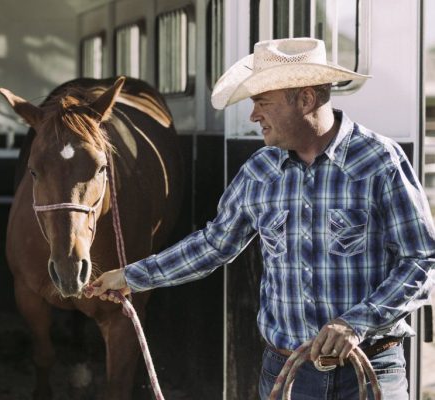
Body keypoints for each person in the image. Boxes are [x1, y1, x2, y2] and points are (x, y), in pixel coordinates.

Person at [87, 38, 435, 399]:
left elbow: (422, 260)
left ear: (305, 99)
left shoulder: (380, 161)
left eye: (262, 102)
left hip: (371, 365)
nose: (253, 115)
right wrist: (131, 276)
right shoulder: (259, 171)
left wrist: (357, 322)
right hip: (287, 373)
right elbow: (213, 245)